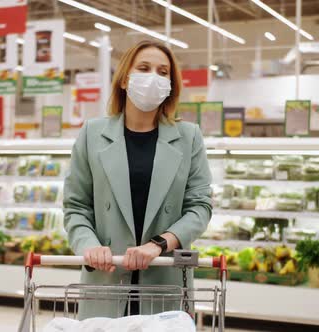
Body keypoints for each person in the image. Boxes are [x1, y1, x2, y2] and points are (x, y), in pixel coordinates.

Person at [63, 40, 213, 319]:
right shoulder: (92, 134)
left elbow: (200, 207)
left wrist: (158, 244)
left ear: (171, 84)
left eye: (163, 71)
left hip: (164, 279)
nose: (153, 77)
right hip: (106, 277)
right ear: (124, 79)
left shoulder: (189, 137)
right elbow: (76, 207)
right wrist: (89, 245)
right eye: (144, 68)